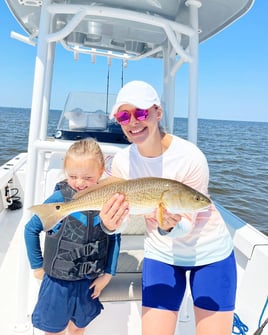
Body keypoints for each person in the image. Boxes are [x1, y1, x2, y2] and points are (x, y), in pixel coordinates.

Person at [99, 80, 237, 335]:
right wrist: (109, 225)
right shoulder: (122, 162)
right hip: (162, 255)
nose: (133, 121)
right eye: (123, 115)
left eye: (141, 113)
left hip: (209, 254)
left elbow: (187, 221)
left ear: (158, 113)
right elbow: (125, 219)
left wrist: (170, 226)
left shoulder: (190, 157)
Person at [24, 139, 121, 335]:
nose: (79, 183)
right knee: (53, 330)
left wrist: (107, 275)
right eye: (73, 176)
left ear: (101, 172)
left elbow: (114, 238)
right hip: (57, 282)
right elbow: (30, 229)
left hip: (89, 281)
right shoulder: (59, 199)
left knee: (78, 328)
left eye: (88, 177)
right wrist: (37, 266)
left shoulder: (107, 199)